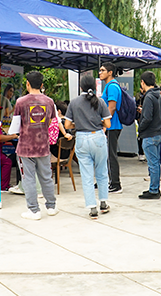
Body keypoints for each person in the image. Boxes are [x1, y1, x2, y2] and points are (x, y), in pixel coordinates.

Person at [11, 71, 59, 220]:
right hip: (43, 146)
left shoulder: (20, 102)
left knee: (29, 179)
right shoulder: (49, 101)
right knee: (46, 177)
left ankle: (33, 210)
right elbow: (52, 121)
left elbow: (15, 127)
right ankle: (51, 207)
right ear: (42, 85)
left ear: (27, 84)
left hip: (25, 147)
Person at [65, 75, 112, 218]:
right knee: (102, 171)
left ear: (81, 87)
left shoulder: (74, 102)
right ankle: (103, 203)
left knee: (86, 175)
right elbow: (108, 124)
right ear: (96, 86)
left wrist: (78, 124)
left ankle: (92, 208)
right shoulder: (101, 102)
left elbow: (67, 125)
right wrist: (98, 123)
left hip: (81, 139)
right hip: (98, 137)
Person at [138, 71, 161, 199]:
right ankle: (155, 188)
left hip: (149, 134)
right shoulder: (158, 95)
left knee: (153, 163)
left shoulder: (148, 97)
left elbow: (147, 118)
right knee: (156, 162)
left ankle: (154, 190)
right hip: (158, 132)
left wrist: (140, 129)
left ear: (143, 82)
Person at [99, 62, 124, 193]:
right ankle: (106, 180)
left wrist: (104, 124)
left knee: (111, 155)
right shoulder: (109, 86)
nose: (100, 72)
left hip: (112, 126)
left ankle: (116, 184)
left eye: (103, 70)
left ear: (110, 72)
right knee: (106, 155)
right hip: (110, 126)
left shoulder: (112, 87)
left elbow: (112, 107)